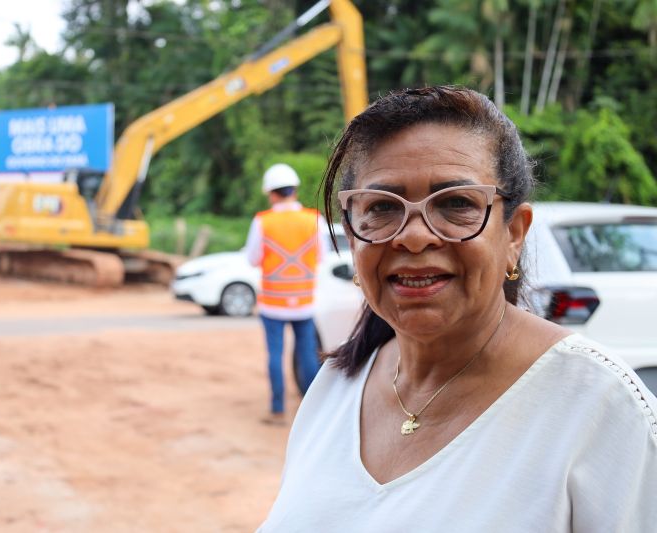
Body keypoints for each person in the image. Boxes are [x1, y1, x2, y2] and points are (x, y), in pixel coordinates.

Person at [259, 87, 657, 531]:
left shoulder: (597, 408)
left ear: (514, 235)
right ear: (352, 236)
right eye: (382, 208)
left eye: (456, 204)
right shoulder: (335, 387)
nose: (413, 237)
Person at [245, 163, 331, 425]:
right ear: (294, 189)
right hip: (304, 302)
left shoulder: (263, 222)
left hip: (273, 303)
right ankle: (313, 409)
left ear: (271, 193)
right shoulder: (314, 219)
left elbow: (252, 259)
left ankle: (278, 410)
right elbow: (323, 256)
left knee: (275, 355)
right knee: (306, 353)